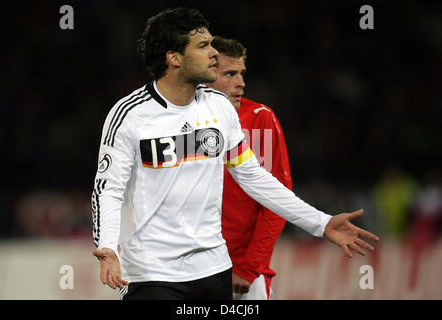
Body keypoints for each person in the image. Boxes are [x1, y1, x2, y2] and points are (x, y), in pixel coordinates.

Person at [91, 7, 379, 300]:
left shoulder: (218, 107)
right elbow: (108, 189)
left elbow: (253, 177)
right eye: (203, 46)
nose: (214, 52)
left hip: (213, 270)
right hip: (154, 274)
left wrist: (321, 222)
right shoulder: (130, 114)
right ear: (174, 57)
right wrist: (108, 248)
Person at [207, 36, 291, 300]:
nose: (241, 82)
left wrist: (249, 266)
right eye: (230, 74)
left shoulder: (260, 119)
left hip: (242, 277)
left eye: (241, 73)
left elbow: (277, 201)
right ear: (206, 74)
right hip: (188, 272)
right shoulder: (180, 121)